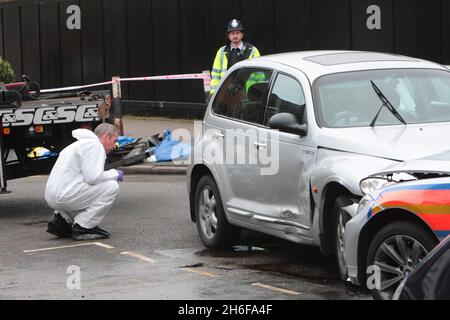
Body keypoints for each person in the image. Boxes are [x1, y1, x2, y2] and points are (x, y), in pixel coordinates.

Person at [45, 123, 124, 241]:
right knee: (111, 186)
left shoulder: (77, 145)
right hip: (64, 196)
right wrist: (115, 174)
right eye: (114, 140)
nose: (115, 146)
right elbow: (93, 178)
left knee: (84, 187)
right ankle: (83, 226)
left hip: (52, 197)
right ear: (106, 136)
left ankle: (61, 221)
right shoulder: (95, 146)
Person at [210, 19, 261, 95]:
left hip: (248, 95)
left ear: (242, 34)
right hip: (226, 94)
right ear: (228, 36)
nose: (235, 36)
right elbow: (215, 75)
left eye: (237, 33)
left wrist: (258, 95)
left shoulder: (253, 51)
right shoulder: (222, 52)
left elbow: (260, 76)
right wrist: (213, 93)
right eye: (232, 33)